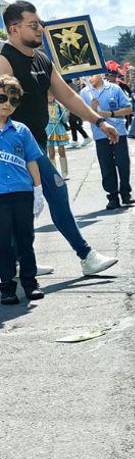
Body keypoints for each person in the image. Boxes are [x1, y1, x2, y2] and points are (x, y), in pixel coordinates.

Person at [0, 1, 118, 276]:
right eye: (33, 25)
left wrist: (99, 121)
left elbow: (68, 95)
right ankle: (86, 254)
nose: (40, 29)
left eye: (39, 23)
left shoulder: (41, 59)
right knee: (56, 191)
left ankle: (18, 260)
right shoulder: (4, 60)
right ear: (14, 28)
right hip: (15, 148)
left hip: (36, 142)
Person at [0, 75, 45, 304]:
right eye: (2, 98)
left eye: (14, 100)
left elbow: (31, 161)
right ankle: (6, 285)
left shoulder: (21, 130)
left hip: (22, 193)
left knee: (25, 239)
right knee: (3, 242)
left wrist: (38, 190)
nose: (8, 104)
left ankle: (30, 282)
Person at [81, 73, 135, 210]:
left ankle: (125, 193)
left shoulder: (114, 89)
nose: (90, 78)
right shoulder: (84, 92)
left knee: (123, 163)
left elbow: (129, 109)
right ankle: (112, 196)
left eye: (92, 75)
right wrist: (92, 110)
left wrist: (109, 114)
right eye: (87, 76)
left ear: (100, 74)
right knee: (106, 166)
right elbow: (81, 115)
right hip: (100, 135)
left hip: (119, 132)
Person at [45, 92, 70, 179]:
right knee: (51, 153)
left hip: (59, 129)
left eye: (52, 95)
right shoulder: (43, 106)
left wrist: (66, 112)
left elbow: (65, 119)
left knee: (62, 151)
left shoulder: (59, 106)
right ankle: (54, 174)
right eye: (48, 96)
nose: (50, 97)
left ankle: (64, 173)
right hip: (48, 129)